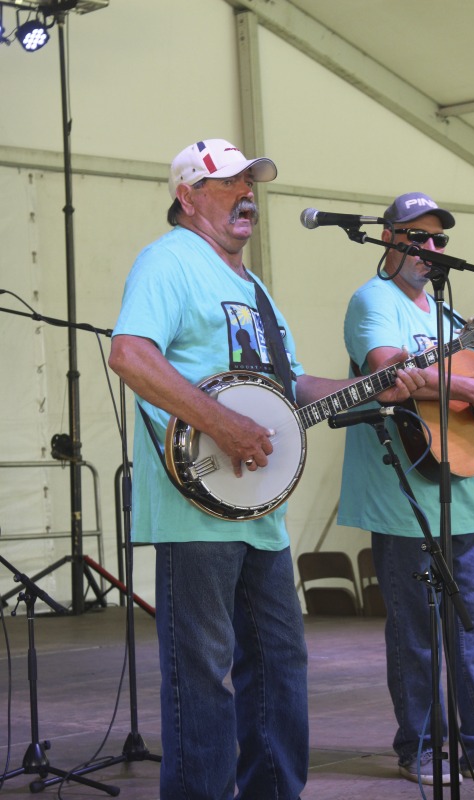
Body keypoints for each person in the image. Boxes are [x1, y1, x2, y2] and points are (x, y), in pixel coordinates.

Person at [108, 140, 426, 800]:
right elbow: (131, 356)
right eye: (227, 183)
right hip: (193, 505)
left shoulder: (251, 286)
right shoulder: (169, 261)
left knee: (279, 668)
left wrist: (373, 385)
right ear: (187, 196)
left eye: (251, 182)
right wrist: (221, 423)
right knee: (201, 674)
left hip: (260, 514)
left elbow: (290, 385)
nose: (246, 193)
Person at [338, 191, 474, 786]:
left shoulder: (451, 318)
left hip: (460, 489)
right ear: (389, 240)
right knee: (417, 630)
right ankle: (418, 746)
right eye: (417, 237)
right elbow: (391, 369)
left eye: (438, 240)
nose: (430, 249)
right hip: (401, 493)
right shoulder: (373, 299)